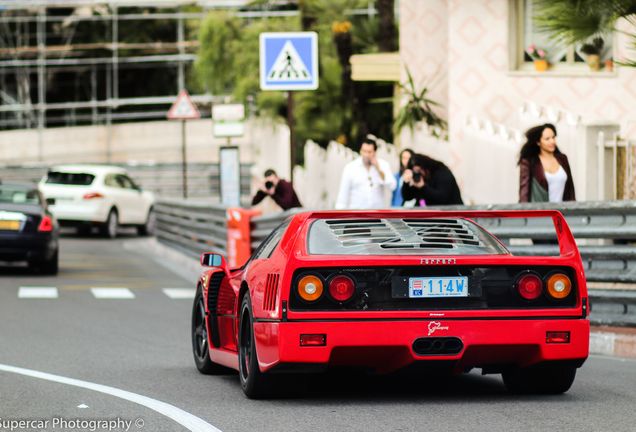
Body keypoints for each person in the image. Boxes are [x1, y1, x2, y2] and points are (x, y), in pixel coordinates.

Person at [518, 123, 575, 203]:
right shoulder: (530, 162)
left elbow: (570, 190)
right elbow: (524, 192)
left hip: (561, 213)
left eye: (553, 137)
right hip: (540, 212)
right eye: (547, 139)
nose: (552, 141)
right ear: (538, 142)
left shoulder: (563, 159)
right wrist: (523, 212)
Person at [335, 136, 397, 209]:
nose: (366, 155)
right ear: (360, 151)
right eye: (364, 151)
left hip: (377, 214)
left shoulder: (383, 165)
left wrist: (378, 168)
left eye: (369, 152)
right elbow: (343, 194)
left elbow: (392, 186)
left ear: (375, 152)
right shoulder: (350, 167)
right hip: (357, 214)